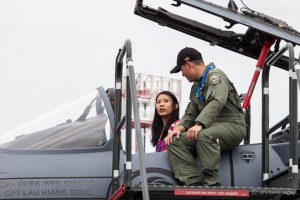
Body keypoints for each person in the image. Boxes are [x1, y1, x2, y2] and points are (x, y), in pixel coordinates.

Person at [166, 47, 246, 186]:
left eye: (181, 70)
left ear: (188, 65)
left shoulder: (215, 76)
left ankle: (211, 183)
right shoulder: (196, 87)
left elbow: (217, 100)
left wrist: (200, 124)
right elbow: (191, 111)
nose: (182, 74)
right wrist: (179, 128)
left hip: (232, 126)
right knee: (175, 141)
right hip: (211, 127)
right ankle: (193, 184)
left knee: (204, 135)